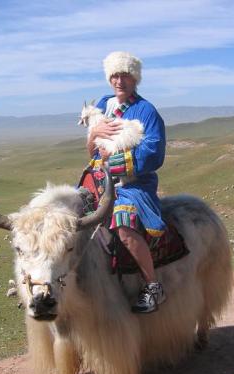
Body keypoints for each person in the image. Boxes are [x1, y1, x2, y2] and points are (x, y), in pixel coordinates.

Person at [86, 51, 167, 313]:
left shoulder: (147, 111)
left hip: (133, 184)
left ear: (135, 79)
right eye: (114, 75)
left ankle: (153, 287)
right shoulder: (103, 104)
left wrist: (114, 159)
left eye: (125, 75)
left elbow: (154, 153)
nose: (119, 81)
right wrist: (94, 134)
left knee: (124, 226)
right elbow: (92, 150)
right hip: (100, 179)